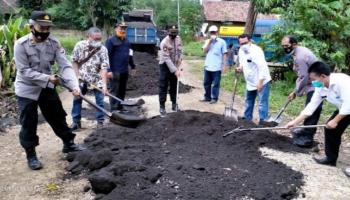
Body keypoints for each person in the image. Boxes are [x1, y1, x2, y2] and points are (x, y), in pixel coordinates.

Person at [14, 11, 84, 170]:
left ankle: (69, 144)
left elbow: (65, 65)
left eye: (48, 28)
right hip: (27, 89)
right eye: (41, 27)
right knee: (29, 122)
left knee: (58, 115)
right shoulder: (20, 44)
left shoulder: (54, 43)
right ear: (31, 26)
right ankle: (31, 154)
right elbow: (24, 71)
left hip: (47, 86)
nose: (45, 31)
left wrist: (74, 86)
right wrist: (47, 78)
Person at [285, 61, 350, 169]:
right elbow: (311, 106)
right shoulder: (321, 86)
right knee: (330, 130)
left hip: (347, 107)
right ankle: (330, 159)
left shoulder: (342, 82)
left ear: (323, 76)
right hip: (343, 109)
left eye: (314, 79)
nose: (312, 82)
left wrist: (335, 121)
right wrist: (295, 122)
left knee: (333, 125)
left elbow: (348, 104)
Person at [281, 35, 322, 147]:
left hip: (317, 84)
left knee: (312, 109)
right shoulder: (298, 52)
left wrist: (296, 92)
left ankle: (307, 137)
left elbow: (303, 76)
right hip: (312, 82)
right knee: (311, 107)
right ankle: (305, 130)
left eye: (287, 45)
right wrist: (295, 91)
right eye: (283, 46)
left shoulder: (300, 56)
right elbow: (302, 75)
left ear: (294, 44)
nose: (285, 48)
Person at [70, 27, 109, 131]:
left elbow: (104, 67)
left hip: (97, 78)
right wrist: (76, 76)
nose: (98, 41)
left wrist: (105, 85)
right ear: (89, 37)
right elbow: (74, 61)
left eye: (99, 39)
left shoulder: (103, 49)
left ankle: (100, 121)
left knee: (100, 101)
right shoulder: (80, 45)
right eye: (96, 39)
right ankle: (76, 122)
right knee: (77, 99)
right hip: (82, 77)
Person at [237, 34, 272, 124]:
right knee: (248, 100)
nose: (243, 45)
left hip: (262, 80)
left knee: (262, 102)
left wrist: (260, 82)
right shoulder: (241, 50)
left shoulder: (256, 51)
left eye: (245, 42)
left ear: (250, 41)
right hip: (250, 81)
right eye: (241, 43)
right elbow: (242, 62)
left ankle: (263, 121)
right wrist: (240, 67)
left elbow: (262, 67)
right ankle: (247, 119)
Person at [105, 22, 136, 111]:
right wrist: (108, 70)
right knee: (114, 90)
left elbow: (130, 55)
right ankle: (114, 110)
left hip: (124, 71)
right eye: (120, 28)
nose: (122, 30)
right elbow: (106, 57)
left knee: (122, 90)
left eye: (124, 28)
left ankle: (120, 106)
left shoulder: (127, 41)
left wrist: (133, 66)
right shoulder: (110, 41)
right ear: (116, 29)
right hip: (115, 71)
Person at [158, 25, 183, 116]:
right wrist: (175, 70)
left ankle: (174, 104)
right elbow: (166, 58)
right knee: (163, 86)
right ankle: (162, 106)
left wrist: (180, 60)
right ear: (168, 32)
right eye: (172, 33)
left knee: (174, 85)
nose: (174, 35)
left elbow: (180, 51)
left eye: (175, 33)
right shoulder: (164, 42)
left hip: (175, 65)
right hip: (165, 66)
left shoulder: (178, 39)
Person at [200, 25, 228, 104]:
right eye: (211, 32)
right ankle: (207, 97)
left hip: (217, 67)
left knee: (216, 84)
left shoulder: (222, 42)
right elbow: (204, 51)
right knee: (206, 83)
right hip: (208, 66)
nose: (213, 33)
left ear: (217, 32)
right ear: (209, 33)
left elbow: (225, 54)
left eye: (214, 32)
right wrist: (209, 42)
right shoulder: (207, 41)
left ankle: (214, 98)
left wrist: (224, 65)